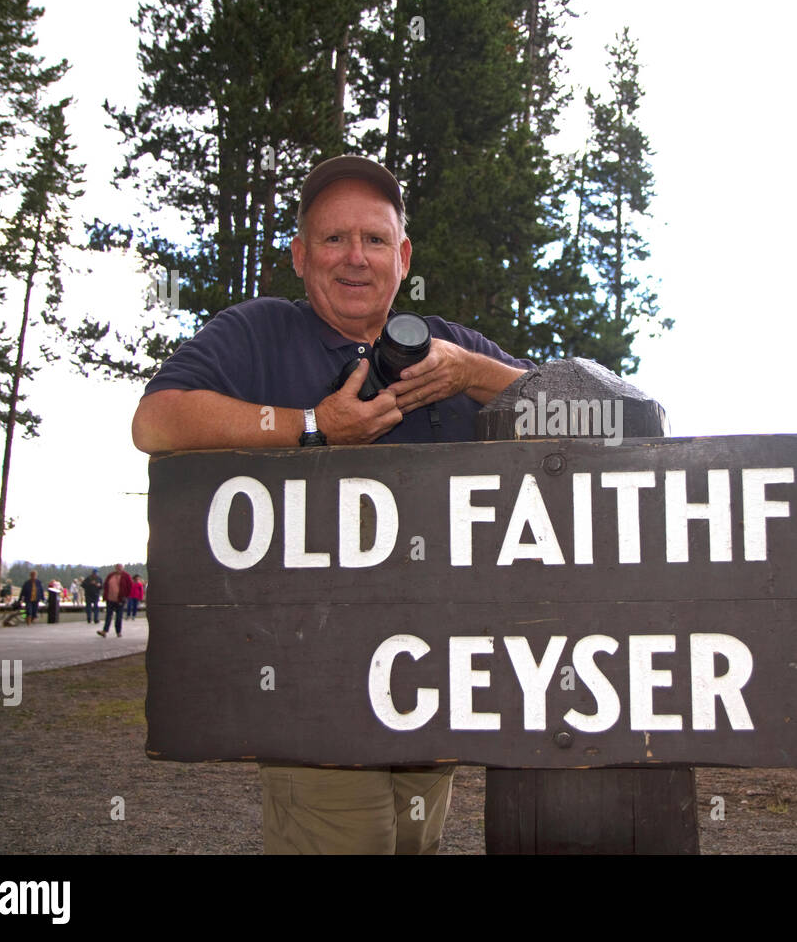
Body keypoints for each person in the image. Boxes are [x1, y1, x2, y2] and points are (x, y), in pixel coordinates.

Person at [131, 155, 535, 855]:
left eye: (375, 240)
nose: (356, 258)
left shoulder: (450, 348)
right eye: (333, 239)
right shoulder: (257, 333)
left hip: (432, 681)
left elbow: (582, 416)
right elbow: (156, 421)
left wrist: (476, 375)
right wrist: (310, 427)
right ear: (299, 254)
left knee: (413, 844)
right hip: (311, 680)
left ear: (403, 257)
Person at [98, 564, 133, 637]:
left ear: (122, 568)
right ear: (115, 568)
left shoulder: (126, 576)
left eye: (120, 568)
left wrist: (126, 596)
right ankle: (104, 631)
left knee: (119, 616)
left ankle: (118, 632)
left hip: (120, 599)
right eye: (117, 568)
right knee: (108, 615)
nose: (118, 569)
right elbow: (105, 586)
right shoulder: (111, 575)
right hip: (110, 599)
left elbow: (130, 587)